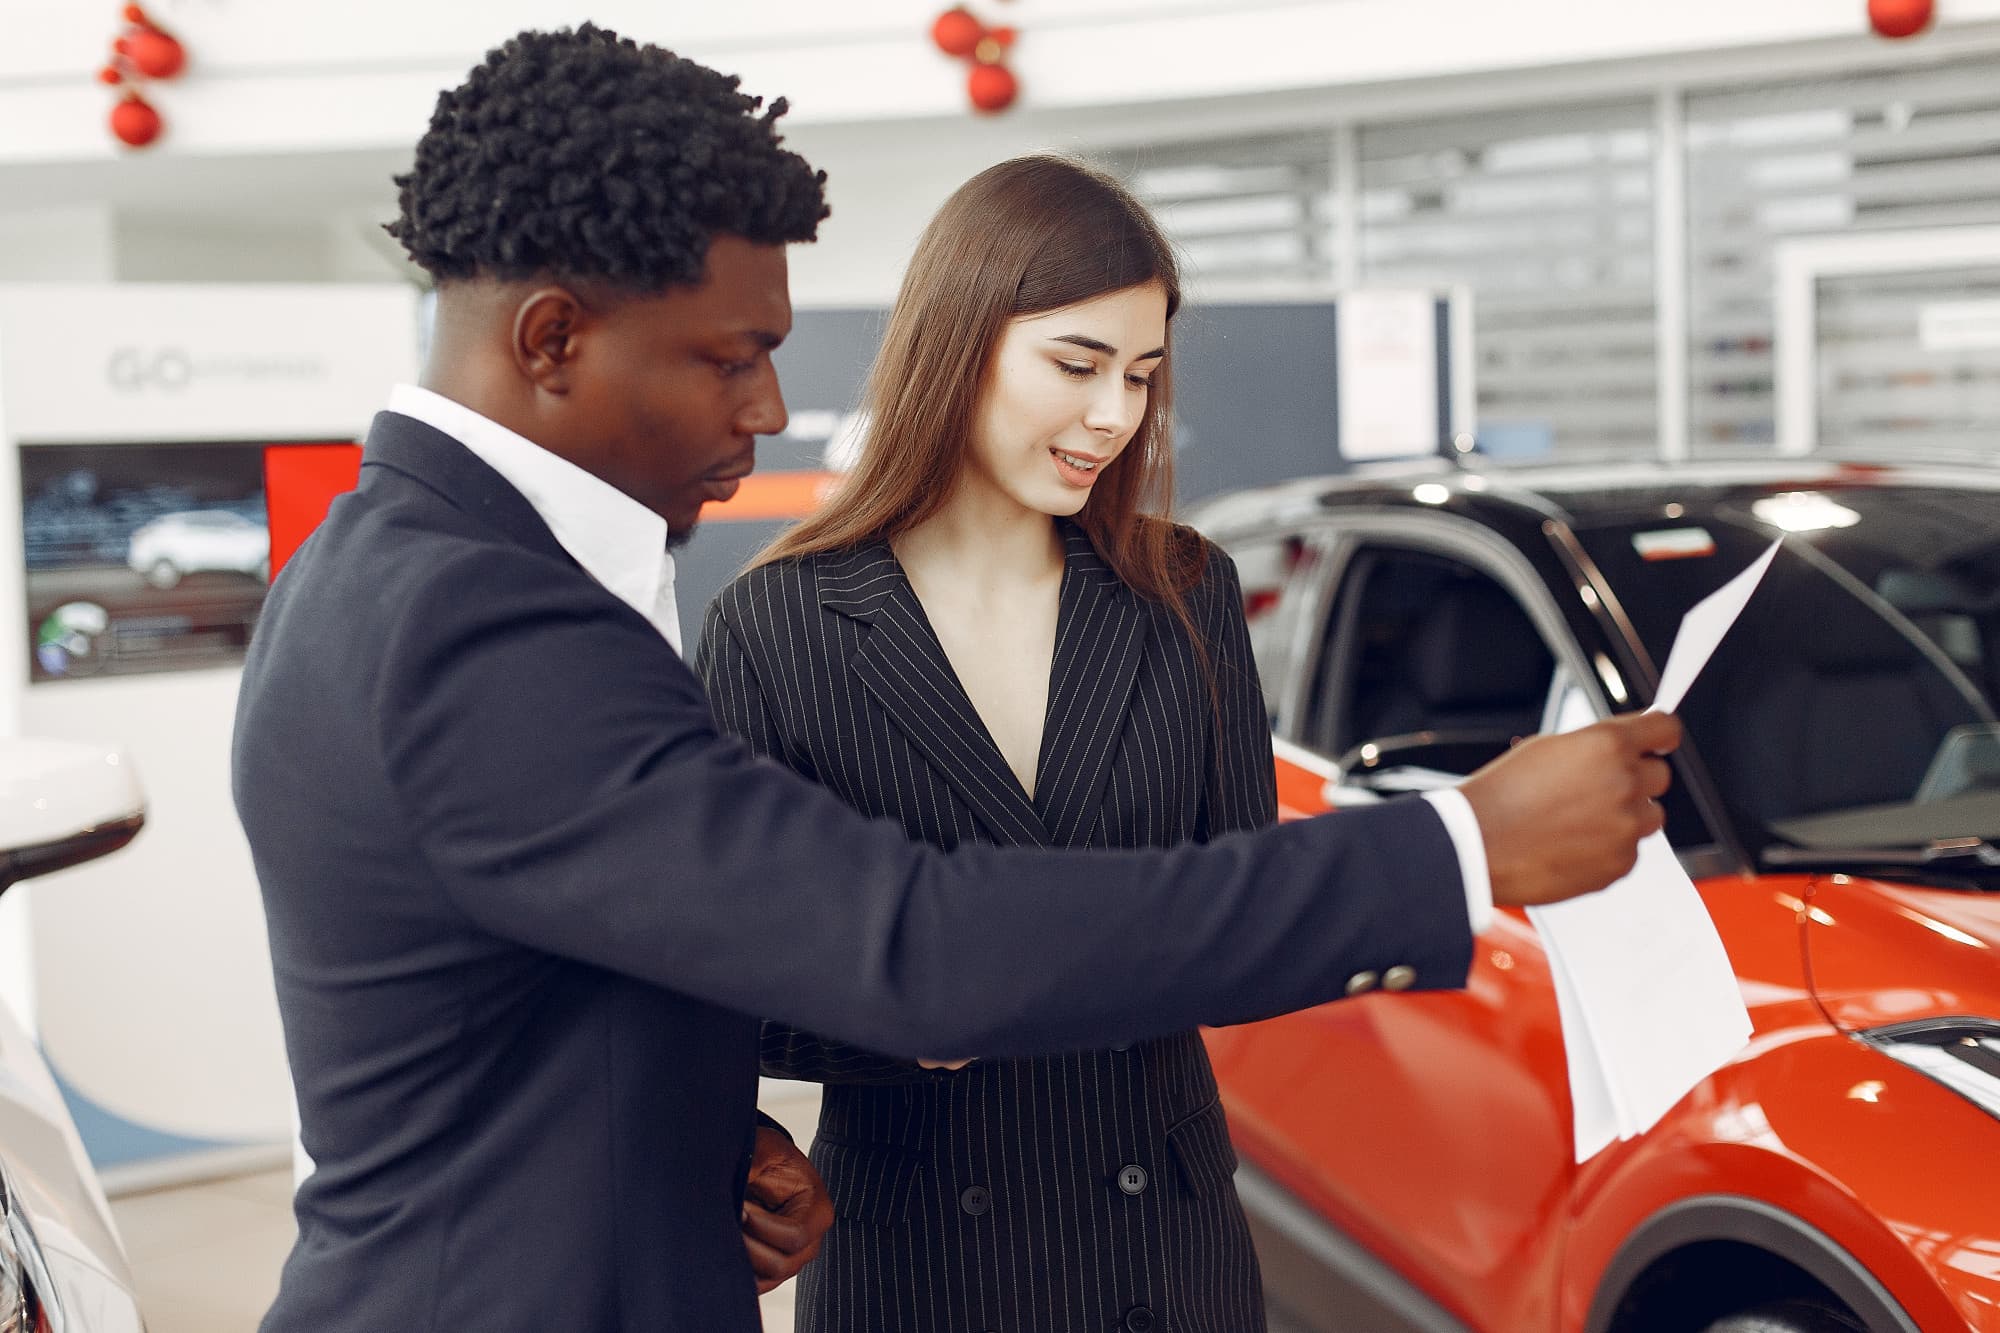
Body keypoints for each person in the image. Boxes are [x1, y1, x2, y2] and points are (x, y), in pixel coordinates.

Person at [230, 23, 1681, 1333]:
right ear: (551, 337)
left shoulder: (400, 579)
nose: (772, 408)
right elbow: (912, 945)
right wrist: (1463, 846)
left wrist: (697, 1149)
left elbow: (580, 976)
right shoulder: (480, 624)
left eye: (1143, 373)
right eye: (733, 358)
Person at [698, 153, 1288, 1332]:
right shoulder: (779, 621)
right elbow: (712, 979)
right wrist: (902, 1019)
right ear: (958, 341)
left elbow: (1248, 911)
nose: (1113, 416)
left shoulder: (1184, 588)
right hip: (914, 1250)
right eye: (1075, 366)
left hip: (1160, 1248)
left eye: (1139, 374)